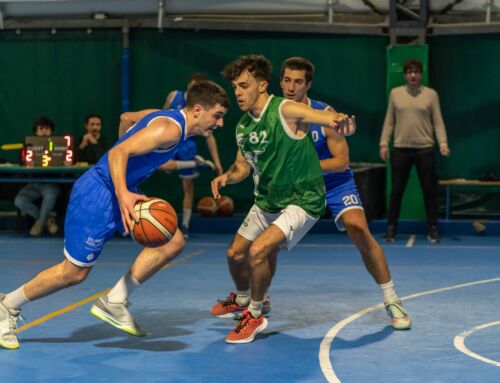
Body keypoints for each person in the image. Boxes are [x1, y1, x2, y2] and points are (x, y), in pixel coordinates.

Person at [0, 80, 229, 350]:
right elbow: (119, 151)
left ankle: (115, 300)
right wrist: (123, 192)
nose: (220, 123)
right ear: (198, 109)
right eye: (217, 116)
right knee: (73, 274)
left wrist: (126, 181)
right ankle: (7, 306)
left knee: (173, 240)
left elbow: (125, 118)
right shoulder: (168, 128)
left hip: (120, 188)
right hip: (99, 193)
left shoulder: (165, 117)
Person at [210, 54, 355, 344]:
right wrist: (228, 176)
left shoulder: (285, 109)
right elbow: (242, 166)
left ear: (262, 85)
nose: (237, 92)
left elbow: (322, 117)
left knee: (258, 251)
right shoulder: (243, 127)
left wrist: (341, 122)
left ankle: (255, 312)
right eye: (235, 87)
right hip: (267, 200)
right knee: (235, 254)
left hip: (303, 199)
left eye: (243, 85)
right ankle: (242, 300)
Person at [279, 57, 410, 330]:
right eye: (287, 80)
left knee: (358, 228)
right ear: (281, 81)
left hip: (335, 183)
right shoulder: (273, 115)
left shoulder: (325, 113)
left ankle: (392, 300)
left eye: (298, 82)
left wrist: (301, 169)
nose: (291, 87)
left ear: (308, 85)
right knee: (267, 241)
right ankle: (257, 301)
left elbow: (340, 161)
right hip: (297, 188)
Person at [380, 58, 450, 243]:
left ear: (421, 74)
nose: (413, 75)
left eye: (416, 71)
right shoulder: (395, 94)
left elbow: (438, 121)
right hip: (400, 150)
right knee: (396, 190)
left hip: (425, 149)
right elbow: (389, 121)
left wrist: (442, 143)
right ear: (405, 75)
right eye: (409, 72)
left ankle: (433, 228)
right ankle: (391, 228)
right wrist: (383, 143)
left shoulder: (431, 95)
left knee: (429, 190)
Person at [162, 73, 224, 238]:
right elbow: (162, 117)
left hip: (187, 146)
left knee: (188, 188)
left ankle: (185, 226)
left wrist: (218, 163)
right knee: (162, 167)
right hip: (171, 141)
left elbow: (210, 136)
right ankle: (197, 164)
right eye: (196, 87)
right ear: (190, 84)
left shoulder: (203, 105)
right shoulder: (174, 96)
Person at [14, 117, 60, 236]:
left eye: (47, 128)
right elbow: (21, 162)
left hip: (51, 183)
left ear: (51, 131)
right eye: (41, 128)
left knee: (50, 196)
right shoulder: (28, 145)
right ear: (36, 131)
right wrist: (25, 162)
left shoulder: (58, 145)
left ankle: (39, 224)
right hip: (34, 183)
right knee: (19, 200)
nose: (44, 131)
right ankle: (47, 221)